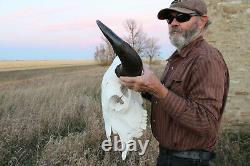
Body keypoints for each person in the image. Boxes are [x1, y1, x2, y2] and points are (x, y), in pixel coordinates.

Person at [119, 0, 229, 165]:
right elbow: (173, 96)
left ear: (202, 21)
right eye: (169, 19)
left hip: (188, 161)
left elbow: (206, 123)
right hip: (169, 156)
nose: (174, 23)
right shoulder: (178, 57)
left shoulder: (206, 59)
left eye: (182, 17)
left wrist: (158, 90)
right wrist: (144, 87)